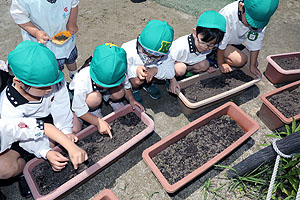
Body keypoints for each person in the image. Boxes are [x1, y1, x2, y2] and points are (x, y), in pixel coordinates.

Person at [69, 43, 144, 137]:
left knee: (119, 92)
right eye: (102, 83)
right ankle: (94, 110)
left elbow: (126, 84)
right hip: (89, 95)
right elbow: (78, 108)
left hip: (101, 91)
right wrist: (97, 122)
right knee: (94, 98)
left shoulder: (118, 69)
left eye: (111, 85)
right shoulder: (83, 78)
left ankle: (114, 102)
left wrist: (131, 99)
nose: (106, 87)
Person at [10, 0, 80, 78]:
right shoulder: (22, 1)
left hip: (65, 34)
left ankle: (74, 73)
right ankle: (58, 83)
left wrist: (72, 22)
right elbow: (19, 16)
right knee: (51, 68)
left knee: (70, 58)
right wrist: (36, 32)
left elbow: (74, 3)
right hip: (43, 41)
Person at [121, 20, 180, 105]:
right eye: (146, 52)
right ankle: (135, 89)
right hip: (134, 76)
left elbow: (170, 71)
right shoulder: (127, 49)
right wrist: (135, 69)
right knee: (138, 81)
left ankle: (149, 83)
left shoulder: (166, 54)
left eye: (156, 56)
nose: (150, 57)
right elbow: (123, 69)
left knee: (159, 72)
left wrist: (156, 70)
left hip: (152, 73)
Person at [217, 0, 279, 77]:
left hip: (234, 43)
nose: (254, 27)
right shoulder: (228, 14)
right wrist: (221, 63)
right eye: (251, 22)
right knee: (240, 61)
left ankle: (228, 58)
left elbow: (255, 41)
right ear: (241, 6)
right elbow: (222, 42)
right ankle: (214, 57)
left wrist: (252, 66)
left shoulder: (261, 17)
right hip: (218, 42)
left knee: (253, 63)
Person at [169, 10, 226, 77]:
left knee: (205, 65)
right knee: (180, 69)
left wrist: (210, 67)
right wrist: (172, 80)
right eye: (203, 42)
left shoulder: (209, 46)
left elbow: (208, 58)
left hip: (190, 64)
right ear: (195, 33)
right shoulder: (180, 47)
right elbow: (165, 62)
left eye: (211, 45)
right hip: (173, 65)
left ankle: (188, 75)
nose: (205, 47)